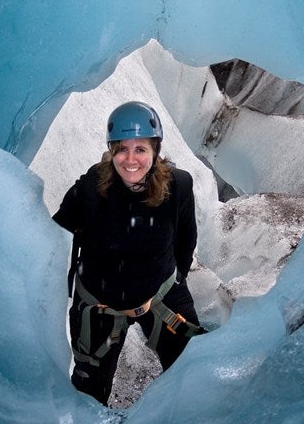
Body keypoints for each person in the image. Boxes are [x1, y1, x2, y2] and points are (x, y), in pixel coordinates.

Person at [52, 100, 204, 406]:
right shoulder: (92, 187)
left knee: (196, 375)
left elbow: (186, 240)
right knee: (87, 399)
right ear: (111, 151)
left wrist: (174, 281)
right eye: (122, 149)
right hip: (99, 305)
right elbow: (52, 235)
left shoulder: (178, 186)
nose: (130, 159)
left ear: (155, 151)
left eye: (140, 149)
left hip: (160, 296)